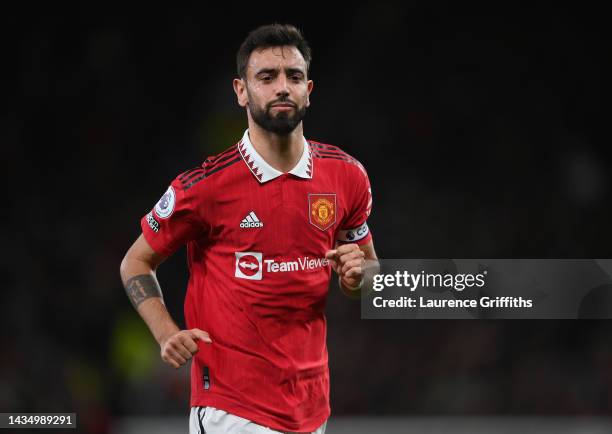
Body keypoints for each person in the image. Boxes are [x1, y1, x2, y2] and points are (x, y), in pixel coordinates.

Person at [120, 23, 378, 434]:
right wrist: (166, 331)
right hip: (231, 408)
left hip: (312, 406)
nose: (281, 87)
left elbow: (367, 277)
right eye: (266, 77)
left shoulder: (347, 176)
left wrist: (356, 276)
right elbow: (136, 261)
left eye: (293, 77)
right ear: (241, 90)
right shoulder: (204, 187)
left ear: (309, 89)